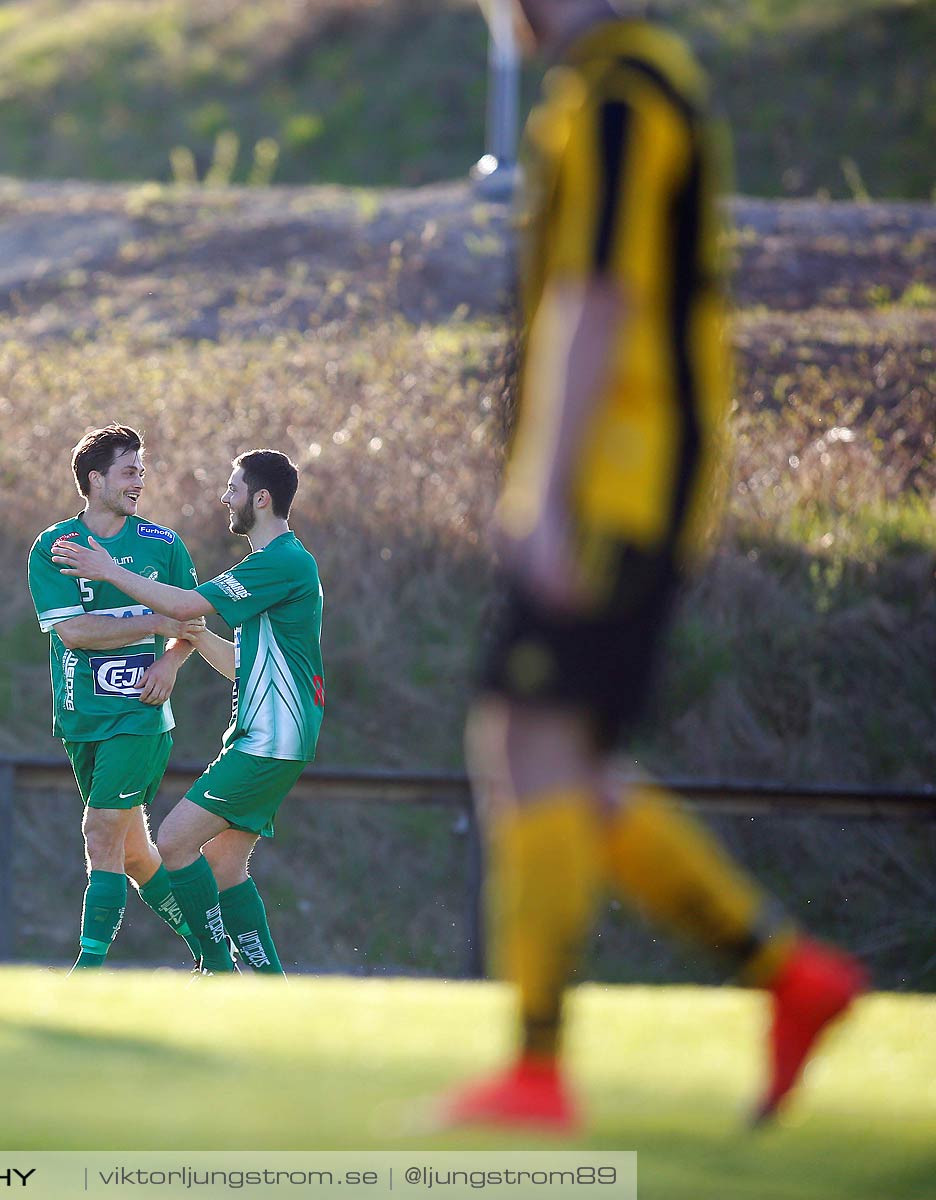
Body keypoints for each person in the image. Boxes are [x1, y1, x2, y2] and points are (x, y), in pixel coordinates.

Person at [447, 0, 866, 1131]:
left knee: (529, 739)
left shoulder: (631, 97)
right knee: (556, 760)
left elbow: (597, 299)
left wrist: (542, 488)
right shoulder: (611, 92)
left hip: (617, 486)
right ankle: (788, 977)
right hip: (626, 483)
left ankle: (539, 1070)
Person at [54, 449, 323, 975]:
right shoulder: (274, 565)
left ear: (260, 499)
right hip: (270, 736)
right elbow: (241, 666)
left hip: (271, 739)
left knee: (174, 842)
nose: (226, 497)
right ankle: (270, 985)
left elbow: (180, 607)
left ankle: (217, 971)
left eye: (234, 488)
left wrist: (107, 570)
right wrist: (194, 641)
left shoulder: (282, 561)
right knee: (225, 865)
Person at [28, 425, 209, 970]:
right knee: (132, 853)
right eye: (129, 472)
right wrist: (154, 620)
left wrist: (172, 662)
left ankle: (87, 971)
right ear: (95, 479)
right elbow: (75, 632)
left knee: (98, 831)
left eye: (141, 472)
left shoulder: (162, 545)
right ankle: (212, 950)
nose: (139, 482)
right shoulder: (56, 546)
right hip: (79, 715)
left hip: (139, 716)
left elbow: (193, 619)